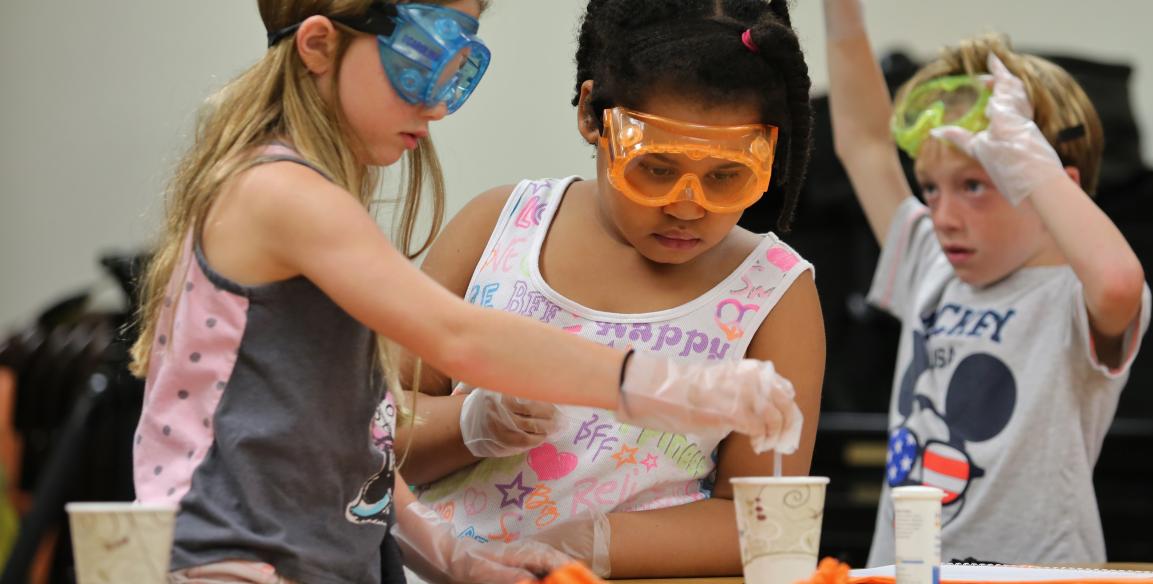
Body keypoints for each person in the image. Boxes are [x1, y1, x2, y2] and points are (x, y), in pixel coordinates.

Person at [127, 1, 802, 582]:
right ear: (318, 44)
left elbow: (355, 445)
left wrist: (454, 559)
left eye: (461, 65)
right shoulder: (281, 194)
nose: (437, 101)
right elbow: (458, 337)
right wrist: (676, 385)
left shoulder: (310, 194)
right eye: (422, 57)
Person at [394, 0, 825, 578]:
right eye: (657, 167)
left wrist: (588, 543)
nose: (686, 205)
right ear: (593, 116)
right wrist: (471, 423)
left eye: (726, 176)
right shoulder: (497, 229)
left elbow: (767, 521)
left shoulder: (774, 293)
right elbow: (367, 435)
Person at [821, 0, 1152, 564]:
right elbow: (864, 142)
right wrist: (842, 13)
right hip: (905, 572)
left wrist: (1025, 153)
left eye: (975, 185)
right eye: (931, 188)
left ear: (1053, 184)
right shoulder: (931, 262)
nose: (943, 215)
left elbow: (1121, 283)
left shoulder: (1074, 295)